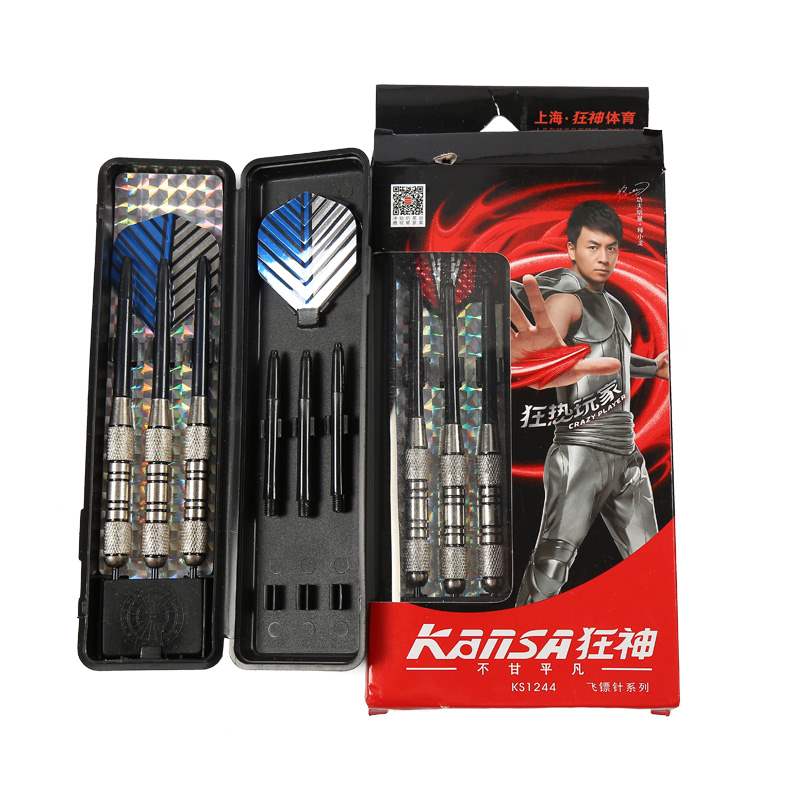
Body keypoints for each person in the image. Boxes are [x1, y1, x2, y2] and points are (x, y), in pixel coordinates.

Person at [512, 200, 669, 605]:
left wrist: (654, 369)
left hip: (626, 454)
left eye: (611, 248)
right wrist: (538, 361)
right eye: (593, 247)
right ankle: (523, 629)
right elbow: (545, 349)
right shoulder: (568, 300)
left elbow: (615, 359)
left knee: (651, 566)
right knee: (552, 565)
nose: (603, 258)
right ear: (571, 249)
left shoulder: (617, 308)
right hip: (580, 452)